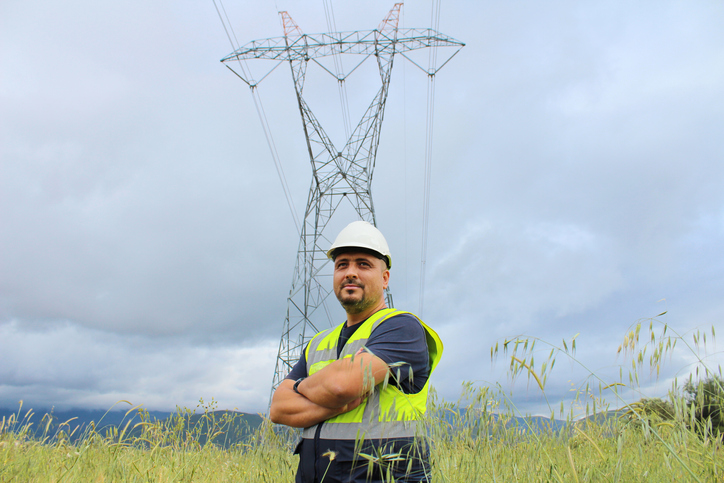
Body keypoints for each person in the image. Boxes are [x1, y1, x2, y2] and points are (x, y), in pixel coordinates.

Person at [270, 220, 443, 483]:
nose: (350, 272)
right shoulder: (318, 342)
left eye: (363, 264)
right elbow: (279, 409)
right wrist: (331, 406)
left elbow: (342, 385)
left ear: (384, 278)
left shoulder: (402, 327)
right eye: (342, 265)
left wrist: (298, 388)